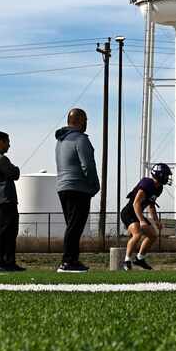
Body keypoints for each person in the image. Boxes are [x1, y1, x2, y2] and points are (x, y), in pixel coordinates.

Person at [54, 108, 100, 273]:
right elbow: (87, 165)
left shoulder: (61, 141)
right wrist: (94, 185)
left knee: (72, 225)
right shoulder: (80, 139)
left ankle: (72, 259)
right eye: (85, 120)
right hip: (78, 187)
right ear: (79, 120)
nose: (87, 123)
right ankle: (68, 261)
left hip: (62, 187)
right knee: (75, 226)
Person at [0, 131, 24, 272]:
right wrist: (16, 169)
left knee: (9, 231)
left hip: (3, 198)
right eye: (7, 141)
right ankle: (1, 261)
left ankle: (8, 262)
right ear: (0, 142)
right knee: (7, 231)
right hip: (7, 199)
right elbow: (15, 174)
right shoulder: (0, 159)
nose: (9, 145)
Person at [120, 163, 171, 271]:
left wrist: (156, 221)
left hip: (137, 214)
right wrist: (142, 220)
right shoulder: (147, 183)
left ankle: (140, 259)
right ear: (159, 175)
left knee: (153, 235)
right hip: (129, 213)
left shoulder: (159, 188)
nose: (167, 178)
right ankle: (127, 260)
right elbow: (136, 203)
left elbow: (151, 205)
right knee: (137, 234)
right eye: (165, 175)